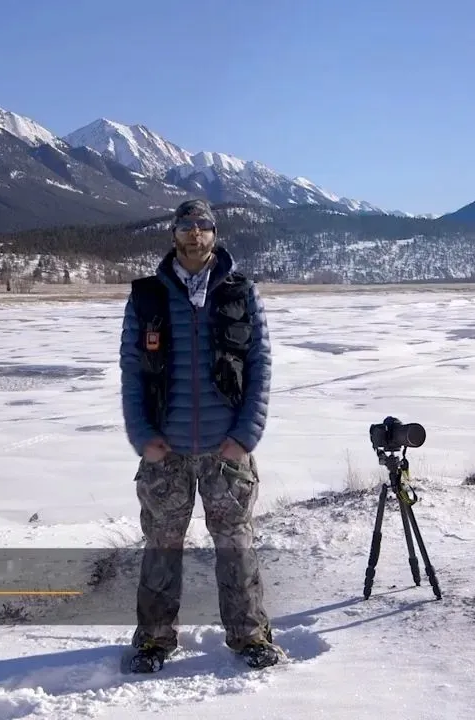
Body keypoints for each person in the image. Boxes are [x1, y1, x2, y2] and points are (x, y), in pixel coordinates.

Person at [118, 198, 283, 673]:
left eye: (204, 226)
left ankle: (250, 635)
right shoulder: (148, 297)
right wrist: (142, 437)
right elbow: (132, 370)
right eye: (186, 225)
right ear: (174, 233)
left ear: (215, 233)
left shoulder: (240, 292)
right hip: (164, 450)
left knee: (236, 545)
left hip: (225, 449)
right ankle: (153, 640)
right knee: (161, 546)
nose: (195, 233)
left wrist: (246, 435)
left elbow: (260, 366)